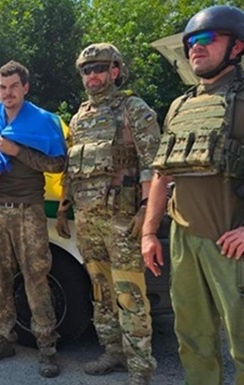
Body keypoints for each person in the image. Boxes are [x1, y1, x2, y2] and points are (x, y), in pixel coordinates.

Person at [141, 6, 244, 385]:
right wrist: (150, 233)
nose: (195, 48)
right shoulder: (180, 106)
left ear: (237, 47)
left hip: (232, 241)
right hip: (184, 240)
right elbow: (162, 173)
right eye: (190, 43)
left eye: (206, 39)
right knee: (193, 339)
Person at [55, 44, 160, 385]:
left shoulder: (133, 109)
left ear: (115, 70)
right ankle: (112, 352)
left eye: (98, 68)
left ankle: (140, 368)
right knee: (100, 289)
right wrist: (64, 208)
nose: (91, 76)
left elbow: (154, 165)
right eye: (86, 70)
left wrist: (147, 211)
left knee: (129, 292)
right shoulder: (80, 117)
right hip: (88, 220)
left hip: (123, 219)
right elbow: (73, 169)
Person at [0, 61, 66, 378]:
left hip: (29, 209)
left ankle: (46, 348)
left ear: (25, 87)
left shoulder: (43, 120)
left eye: (13, 86)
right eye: (2, 87)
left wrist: (17, 151)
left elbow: (57, 164)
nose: (7, 93)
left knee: (35, 278)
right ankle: (2, 339)